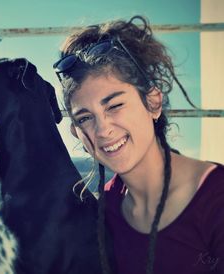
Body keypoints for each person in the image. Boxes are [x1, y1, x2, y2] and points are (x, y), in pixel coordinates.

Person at [53, 15, 224, 274]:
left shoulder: (215, 198)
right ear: (76, 132)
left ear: (153, 102)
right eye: (85, 118)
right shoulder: (105, 209)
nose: (103, 130)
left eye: (115, 105)